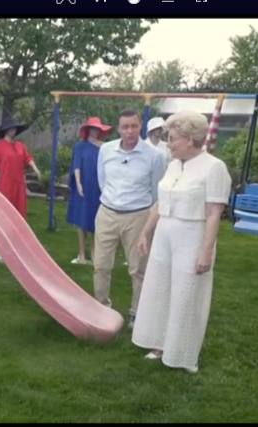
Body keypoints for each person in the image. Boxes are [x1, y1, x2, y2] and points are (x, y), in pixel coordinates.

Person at [131, 112, 231, 373]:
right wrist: (145, 232)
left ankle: (184, 354)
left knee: (186, 294)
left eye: (173, 139)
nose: (169, 144)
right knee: (160, 289)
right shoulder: (174, 165)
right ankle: (159, 344)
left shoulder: (214, 167)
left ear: (189, 139)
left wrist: (206, 252)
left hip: (192, 236)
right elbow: (160, 202)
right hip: (165, 234)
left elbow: (214, 214)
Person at [93, 110, 166, 329]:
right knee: (101, 265)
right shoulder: (106, 150)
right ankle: (101, 308)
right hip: (107, 213)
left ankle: (137, 313)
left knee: (138, 268)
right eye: (125, 127)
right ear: (118, 128)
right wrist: (113, 201)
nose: (129, 131)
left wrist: (142, 212)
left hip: (138, 216)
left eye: (134, 126)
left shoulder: (154, 156)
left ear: (141, 127)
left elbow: (156, 190)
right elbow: (102, 181)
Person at [0, 112, 42, 262]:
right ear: (5, 130)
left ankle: (18, 248)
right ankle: (3, 250)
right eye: (10, 128)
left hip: (19, 186)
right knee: (5, 218)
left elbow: (28, 158)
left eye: (14, 128)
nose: (13, 130)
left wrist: (36, 169)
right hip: (5, 186)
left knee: (20, 217)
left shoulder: (20, 145)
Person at [66, 117, 111, 265]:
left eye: (97, 129)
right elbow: (76, 166)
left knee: (96, 221)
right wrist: (78, 183)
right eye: (93, 128)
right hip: (84, 187)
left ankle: (93, 253)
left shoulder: (104, 147)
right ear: (88, 129)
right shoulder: (80, 146)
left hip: (99, 187)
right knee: (82, 219)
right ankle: (81, 255)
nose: (95, 131)